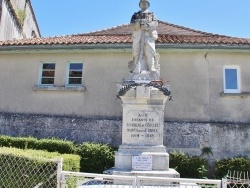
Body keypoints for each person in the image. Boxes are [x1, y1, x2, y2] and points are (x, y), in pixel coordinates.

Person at [130, 0, 158, 73]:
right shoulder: (135, 15)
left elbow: (155, 24)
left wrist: (147, 25)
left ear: (148, 4)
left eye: (145, 3)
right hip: (138, 35)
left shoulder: (151, 14)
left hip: (148, 35)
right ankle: (136, 67)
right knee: (136, 51)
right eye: (142, 3)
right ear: (139, 5)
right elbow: (132, 24)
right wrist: (139, 23)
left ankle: (151, 67)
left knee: (150, 51)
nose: (144, 4)